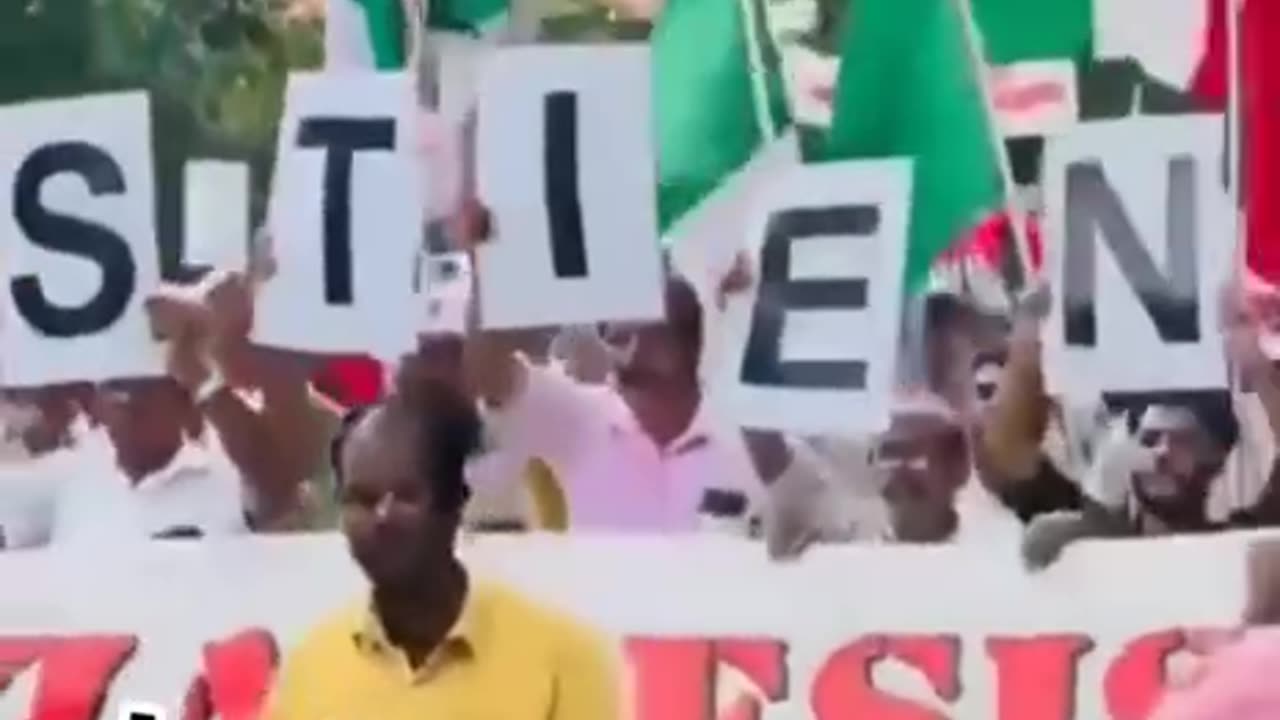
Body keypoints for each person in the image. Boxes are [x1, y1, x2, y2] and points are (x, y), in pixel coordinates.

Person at [265, 382, 621, 720]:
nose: (382, 517)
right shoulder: (308, 670)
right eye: (363, 499)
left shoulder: (562, 659)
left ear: (453, 503)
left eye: (405, 496)